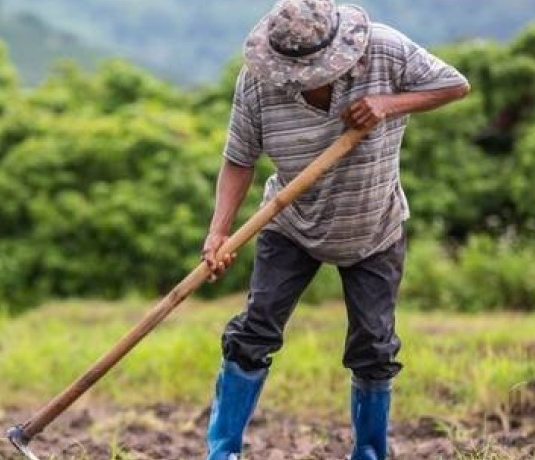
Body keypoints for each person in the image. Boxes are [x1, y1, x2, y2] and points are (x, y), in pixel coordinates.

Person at [200, 1, 470, 459]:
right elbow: (239, 159)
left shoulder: (384, 50)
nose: (304, 79)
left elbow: (454, 85)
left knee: (374, 347)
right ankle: (221, 452)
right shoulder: (259, 82)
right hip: (290, 223)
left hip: (373, 226)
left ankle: (369, 453)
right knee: (254, 332)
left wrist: (389, 103)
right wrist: (218, 234)